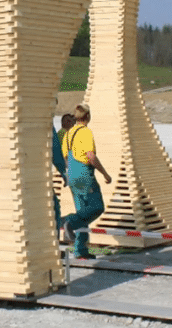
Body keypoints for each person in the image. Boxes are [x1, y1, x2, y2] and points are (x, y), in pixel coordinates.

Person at [61, 103, 112, 259]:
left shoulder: (68, 134)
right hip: (84, 175)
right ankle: (68, 222)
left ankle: (80, 250)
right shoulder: (85, 132)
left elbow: (65, 158)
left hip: (72, 176)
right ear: (88, 116)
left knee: (83, 213)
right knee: (96, 207)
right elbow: (90, 156)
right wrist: (105, 174)